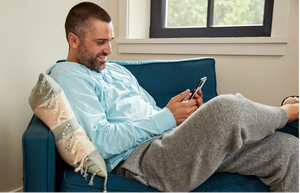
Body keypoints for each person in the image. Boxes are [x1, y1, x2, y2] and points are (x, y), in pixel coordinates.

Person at [48, 2, 298, 193]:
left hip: (170, 141)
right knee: (225, 108)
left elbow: (151, 111)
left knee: (286, 149)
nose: (109, 51)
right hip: (143, 160)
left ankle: (279, 119)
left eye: (110, 41)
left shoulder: (115, 70)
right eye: (100, 42)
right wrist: (168, 118)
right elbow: (101, 142)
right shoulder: (68, 76)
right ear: (73, 40)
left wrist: (182, 116)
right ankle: (286, 112)